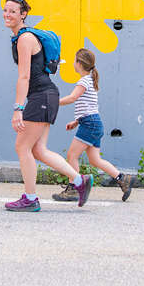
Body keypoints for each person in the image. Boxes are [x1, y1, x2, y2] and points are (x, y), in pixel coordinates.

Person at [3, 0, 93, 212]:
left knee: (22, 146)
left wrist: (18, 109)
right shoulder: (22, 37)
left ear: (23, 14)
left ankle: (30, 198)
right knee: (39, 150)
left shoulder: (24, 39)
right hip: (47, 95)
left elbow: (24, 77)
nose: (7, 15)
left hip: (41, 96)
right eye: (5, 10)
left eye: (13, 11)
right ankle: (80, 181)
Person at [53, 48, 136, 202]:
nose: (73, 63)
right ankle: (122, 178)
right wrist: (76, 121)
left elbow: (72, 98)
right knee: (95, 160)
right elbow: (88, 106)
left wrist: (53, 103)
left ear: (79, 64)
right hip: (93, 123)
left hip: (90, 124)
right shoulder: (90, 79)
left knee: (72, 155)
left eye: (74, 61)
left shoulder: (84, 81)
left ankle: (74, 188)